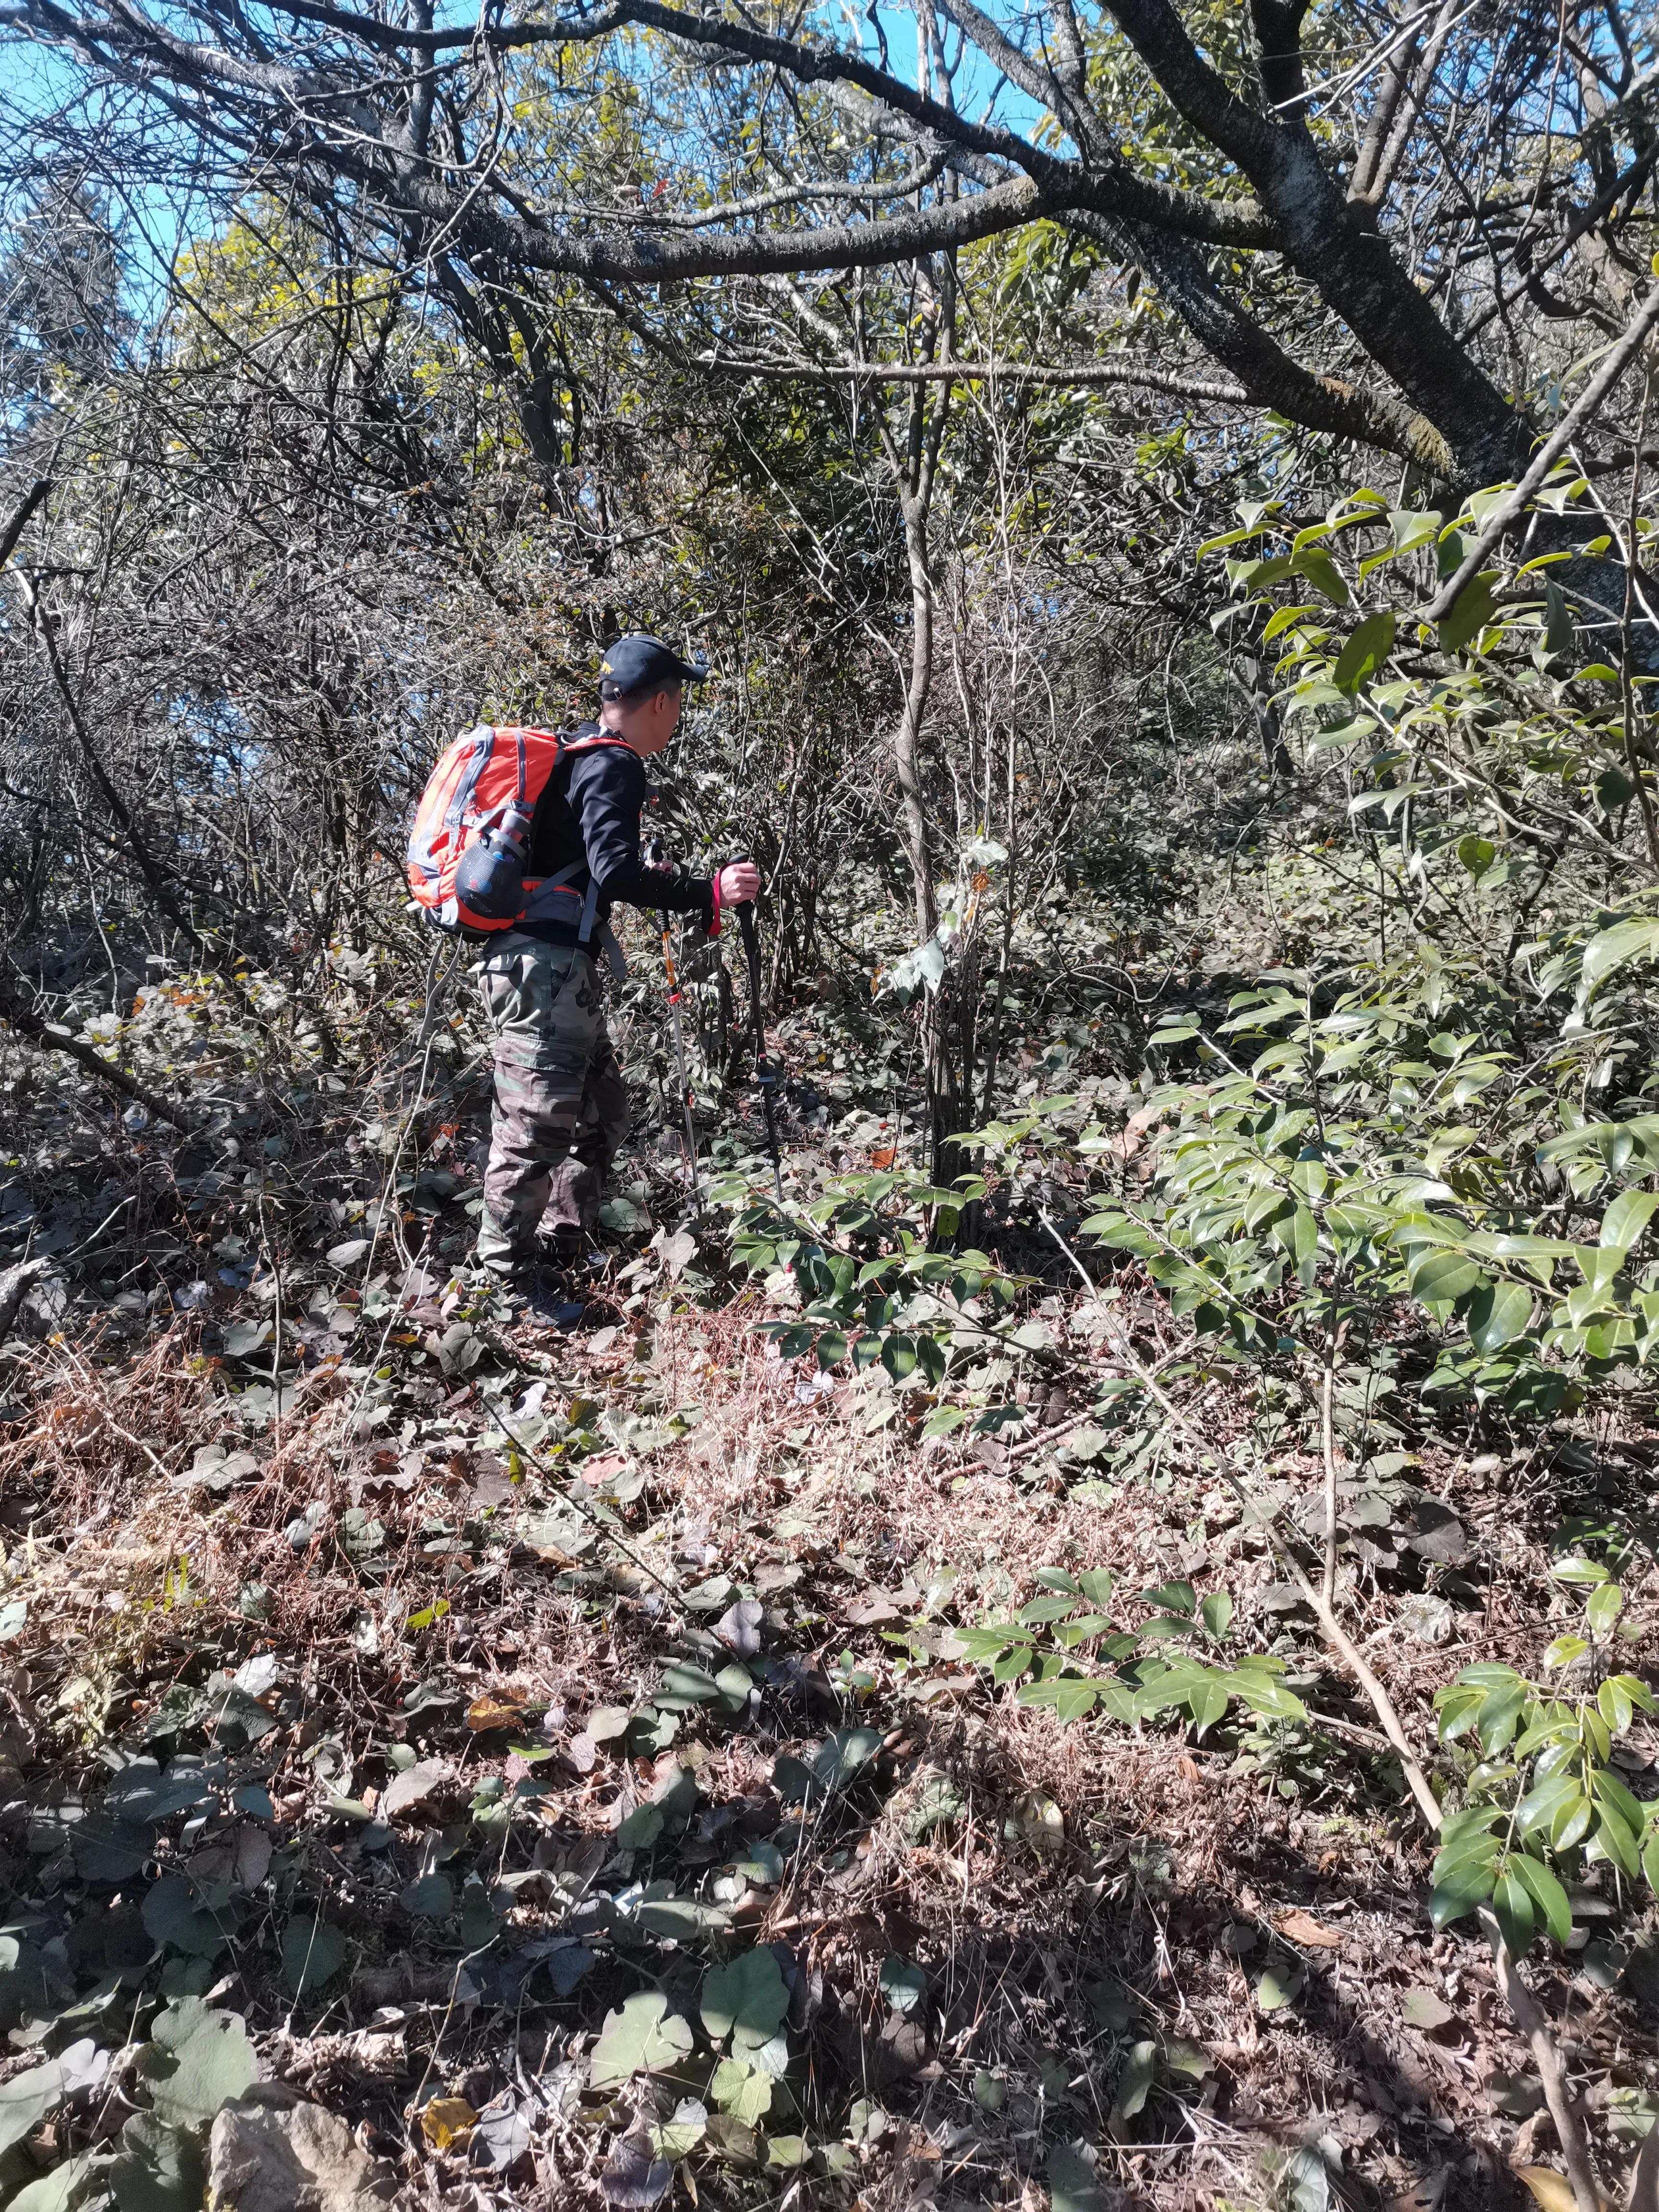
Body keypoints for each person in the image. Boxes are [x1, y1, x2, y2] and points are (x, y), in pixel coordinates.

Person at [473, 634, 759, 1293]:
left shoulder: (576, 755)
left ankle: (564, 1241)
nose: (679, 714)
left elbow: (594, 868)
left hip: (548, 967)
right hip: (540, 969)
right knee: (535, 1126)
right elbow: (617, 873)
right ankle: (504, 1284)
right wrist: (707, 891)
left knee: (602, 1110)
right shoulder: (614, 764)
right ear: (660, 702)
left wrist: (633, 875)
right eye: (679, 701)